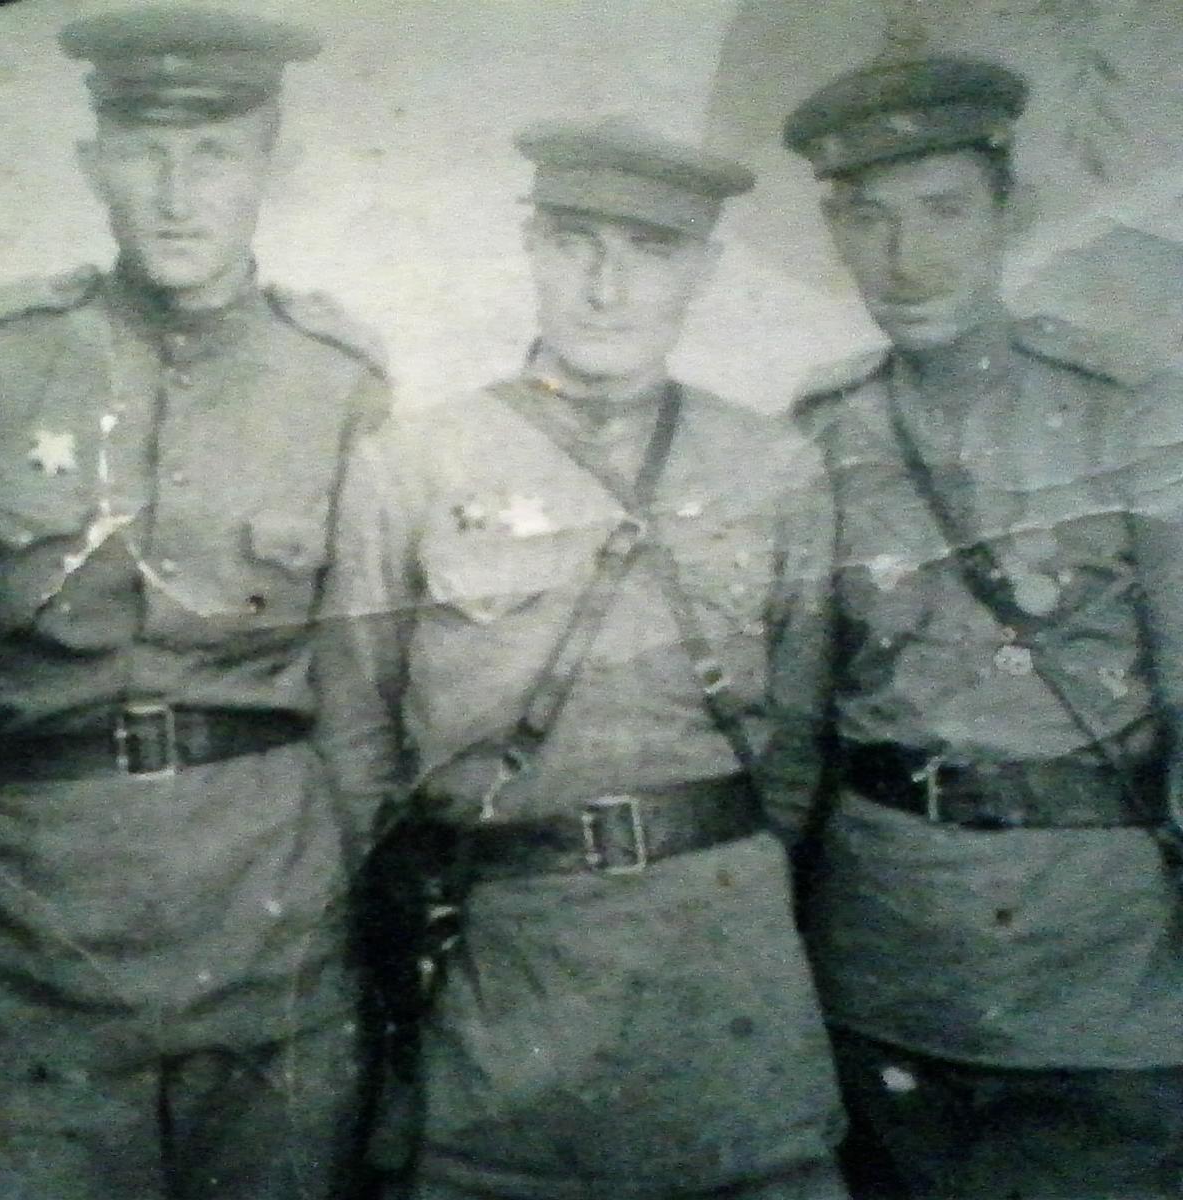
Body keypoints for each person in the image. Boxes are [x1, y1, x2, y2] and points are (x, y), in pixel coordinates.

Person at [0, 7, 390, 1199]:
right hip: (26, 943)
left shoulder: (336, 382)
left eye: (213, 154)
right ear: (92, 164)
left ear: (270, 167)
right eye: (142, 153)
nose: (177, 194)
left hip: (264, 934)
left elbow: (357, 698)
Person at [320, 114, 847, 1200]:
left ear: (703, 271)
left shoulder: (774, 466)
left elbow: (798, 744)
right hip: (509, 967)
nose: (607, 289)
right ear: (531, 247)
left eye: (651, 252)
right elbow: (357, 738)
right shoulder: (413, 464)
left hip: (722, 967)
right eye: (576, 245)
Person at [779, 54, 1183, 1199]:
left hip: (1099, 981)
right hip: (886, 966)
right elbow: (793, 737)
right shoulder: (818, 432)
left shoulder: (1130, 409)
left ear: (1013, 212)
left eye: (944, 210)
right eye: (869, 219)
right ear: (835, 235)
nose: (907, 258)